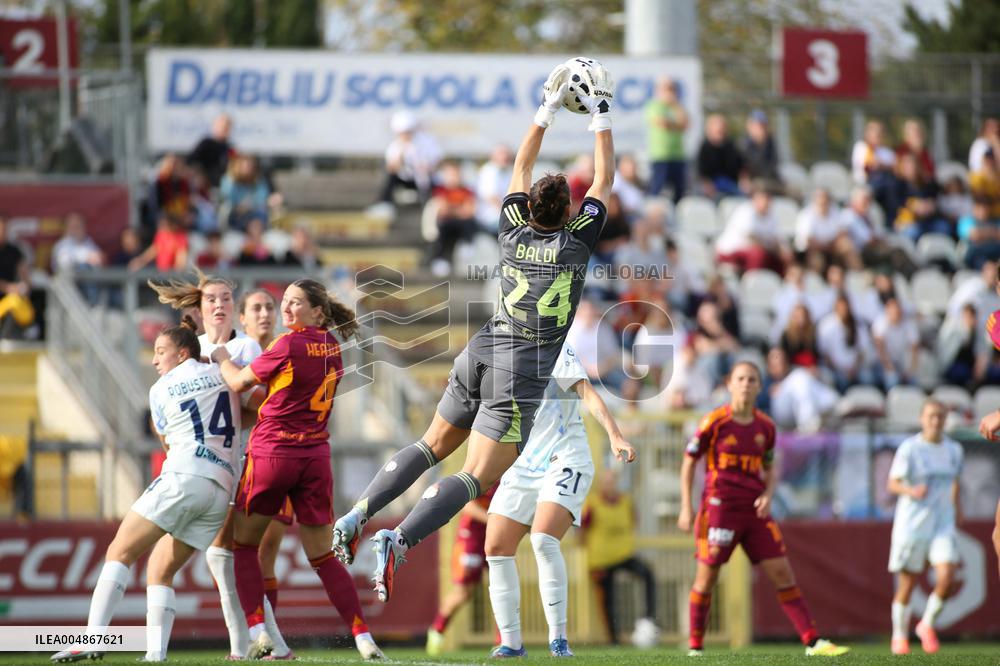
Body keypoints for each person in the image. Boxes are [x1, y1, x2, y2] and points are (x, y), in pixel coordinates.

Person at [331, 62, 616, 606]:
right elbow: (603, 180)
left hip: (481, 348)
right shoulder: (576, 244)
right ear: (568, 213)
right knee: (476, 476)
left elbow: (520, 167)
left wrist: (547, 110)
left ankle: (359, 512)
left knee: (430, 444)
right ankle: (399, 537)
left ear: (529, 207)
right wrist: (600, 113)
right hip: (522, 368)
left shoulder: (511, 227)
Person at [212, 279, 384, 660]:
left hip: (273, 453)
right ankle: (362, 636)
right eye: (284, 303)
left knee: (243, 545)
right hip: (315, 457)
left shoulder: (287, 344)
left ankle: (257, 631)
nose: (286, 310)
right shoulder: (335, 347)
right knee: (323, 557)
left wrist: (222, 357)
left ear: (317, 312)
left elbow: (240, 382)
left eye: (295, 304)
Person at [51, 322, 242, 663]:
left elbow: (166, 440)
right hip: (220, 491)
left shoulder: (161, 387)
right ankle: (155, 654)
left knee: (119, 551)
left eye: (160, 351)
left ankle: (93, 639)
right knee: (160, 569)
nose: (154, 360)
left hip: (185, 475)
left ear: (183, 353)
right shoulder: (224, 374)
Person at [148, 271, 288, 660]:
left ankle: (251, 645)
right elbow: (164, 406)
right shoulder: (189, 350)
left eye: (226, 298)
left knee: (231, 552)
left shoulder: (246, 349)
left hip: (242, 459)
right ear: (200, 307)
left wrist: (230, 410)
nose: (219, 305)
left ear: (232, 306)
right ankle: (262, 644)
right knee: (219, 554)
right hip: (198, 465)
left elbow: (258, 407)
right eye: (212, 299)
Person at [678, 361, 849, 657]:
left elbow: (770, 467)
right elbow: (689, 461)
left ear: (760, 386)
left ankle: (812, 641)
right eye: (741, 378)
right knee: (707, 578)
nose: (746, 384)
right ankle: (695, 647)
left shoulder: (766, 427)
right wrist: (686, 506)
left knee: (782, 572)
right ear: (730, 384)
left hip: (754, 511)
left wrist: (769, 494)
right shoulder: (714, 422)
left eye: (752, 379)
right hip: (720, 509)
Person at [485, 344, 636, 657]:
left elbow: (587, 392)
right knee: (496, 547)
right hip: (523, 462)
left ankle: (559, 641)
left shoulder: (552, 346)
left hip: (565, 456)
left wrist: (614, 434)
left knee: (543, 539)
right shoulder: (496, 355)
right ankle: (512, 644)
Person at [887, 399, 963, 655]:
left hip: (942, 523)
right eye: (931, 416)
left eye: (940, 417)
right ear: (922, 419)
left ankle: (926, 625)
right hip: (913, 524)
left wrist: (957, 507)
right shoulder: (910, 449)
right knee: (907, 584)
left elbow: (954, 481)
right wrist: (911, 489)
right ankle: (899, 636)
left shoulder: (954, 450)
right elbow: (893, 484)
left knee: (948, 575)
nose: (935, 421)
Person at [582, 467, 657, 647]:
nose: (609, 486)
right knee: (608, 599)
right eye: (605, 482)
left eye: (612, 481)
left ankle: (648, 619)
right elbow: (582, 529)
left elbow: (634, 521)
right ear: (600, 485)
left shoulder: (626, 501)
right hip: (600, 559)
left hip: (623, 554)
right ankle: (614, 640)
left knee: (646, 573)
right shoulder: (592, 503)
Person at [425, 483, 498, 656]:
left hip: (496, 537)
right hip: (471, 539)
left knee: (503, 586)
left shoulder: (510, 475)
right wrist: (495, 520)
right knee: (463, 592)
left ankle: (503, 641)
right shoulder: (484, 472)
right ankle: (437, 631)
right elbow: (468, 506)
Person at [715, 185, 788, 275]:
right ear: (755, 199)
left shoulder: (771, 216)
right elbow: (753, 239)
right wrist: (773, 249)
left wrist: (783, 252)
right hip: (730, 252)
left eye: (768, 199)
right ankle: (752, 283)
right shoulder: (746, 211)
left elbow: (777, 239)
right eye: (763, 199)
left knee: (779, 261)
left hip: (757, 252)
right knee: (758, 255)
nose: (766, 202)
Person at [644, 77, 688, 202]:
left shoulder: (678, 107)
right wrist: (676, 125)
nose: (670, 92)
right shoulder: (654, 106)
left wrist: (675, 105)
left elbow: (685, 124)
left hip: (678, 156)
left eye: (672, 89)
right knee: (657, 189)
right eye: (666, 89)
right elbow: (662, 124)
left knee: (679, 192)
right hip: (660, 156)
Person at [0, 214, 35, 339]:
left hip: (11, 299)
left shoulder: (14, 251)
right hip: (6, 298)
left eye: (4, 228)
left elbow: (24, 273)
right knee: (14, 301)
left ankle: (27, 331)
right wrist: (8, 288)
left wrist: (25, 285)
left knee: (19, 302)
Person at [696, 114, 744, 199]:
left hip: (730, 184)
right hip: (711, 186)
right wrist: (708, 185)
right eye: (718, 131)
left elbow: (740, 167)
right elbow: (701, 173)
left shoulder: (731, 147)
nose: (720, 133)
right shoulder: (704, 148)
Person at [188, 113, 234, 188]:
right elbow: (191, 162)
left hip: (223, 187)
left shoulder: (230, 147)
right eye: (222, 127)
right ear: (215, 127)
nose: (224, 129)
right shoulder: (206, 144)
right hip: (205, 186)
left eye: (227, 127)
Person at [740, 110, 780, 186]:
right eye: (759, 125)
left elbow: (773, 164)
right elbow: (749, 167)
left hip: (771, 181)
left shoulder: (770, 142)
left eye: (764, 126)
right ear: (749, 126)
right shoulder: (743, 145)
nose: (762, 129)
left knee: (796, 192)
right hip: (755, 183)